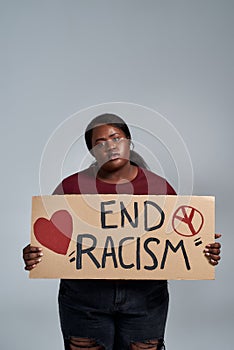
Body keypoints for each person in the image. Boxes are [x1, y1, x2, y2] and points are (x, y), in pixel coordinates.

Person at [23, 114, 221, 350]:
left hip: (144, 298)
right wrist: (35, 253)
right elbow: (50, 236)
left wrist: (203, 247)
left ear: (129, 141)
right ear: (93, 152)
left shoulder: (158, 187)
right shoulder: (71, 187)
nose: (110, 146)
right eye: (100, 143)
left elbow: (180, 237)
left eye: (116, 137)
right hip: (84, 298)